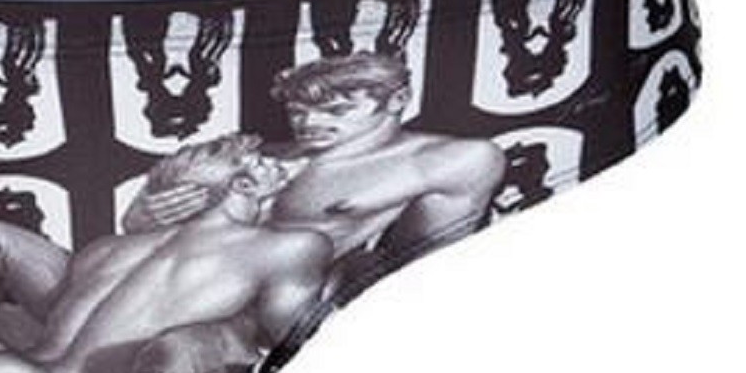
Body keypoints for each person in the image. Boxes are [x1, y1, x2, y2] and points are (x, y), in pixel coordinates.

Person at [0, 134, 333, 373]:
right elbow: (291, 342)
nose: (275, 164)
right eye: (260, 161)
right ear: (242, 185)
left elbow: (88, 308)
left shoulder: (114, 247)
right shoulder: (287, 247)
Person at [124, 52, 507, 339]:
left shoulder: (444, 160)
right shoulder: (258, 155)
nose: (309, 122)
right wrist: (145, 215)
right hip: (173, 290)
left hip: (276, 319)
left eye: (337, 110)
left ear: (397, 100)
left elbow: (431, 266)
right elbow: (138, 228)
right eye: (297, 111)